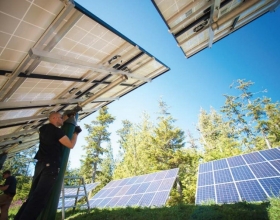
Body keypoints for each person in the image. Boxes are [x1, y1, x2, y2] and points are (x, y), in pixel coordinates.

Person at [15, 111, 82, 220]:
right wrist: (76, 133)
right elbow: (70, 145)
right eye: (60, 118)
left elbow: (56, 122)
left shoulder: (43, 129)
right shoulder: (57, 132)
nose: (62, 119)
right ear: (55, 118)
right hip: (51, 166)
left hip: (40, 165)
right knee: (39, 198)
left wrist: (67, 117)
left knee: (32, 196)